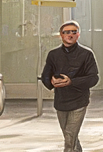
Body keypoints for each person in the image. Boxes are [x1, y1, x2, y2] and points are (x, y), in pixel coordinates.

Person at [41, 21, 99, 152]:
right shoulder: (53, 55)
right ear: (61, 35)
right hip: (61, 101)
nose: (70, 35)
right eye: (67, 32)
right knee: (70, 135)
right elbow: (45, 75)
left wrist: (72, 82)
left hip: (79, 101)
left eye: (74, 32)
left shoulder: (86, 54)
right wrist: (52, 82)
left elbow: (93, 78)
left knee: (69, 137)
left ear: (78, 35)